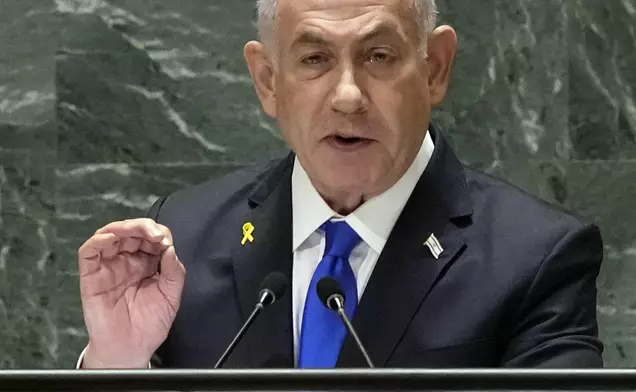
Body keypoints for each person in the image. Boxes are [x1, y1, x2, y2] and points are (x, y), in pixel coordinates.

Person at [76, 0, 604, 369]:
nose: (348, 96)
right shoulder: (184, 239)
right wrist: (118, 363)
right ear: (268, 81)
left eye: (378, 56)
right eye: (315, 59)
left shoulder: (536, 259)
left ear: (434, 69)